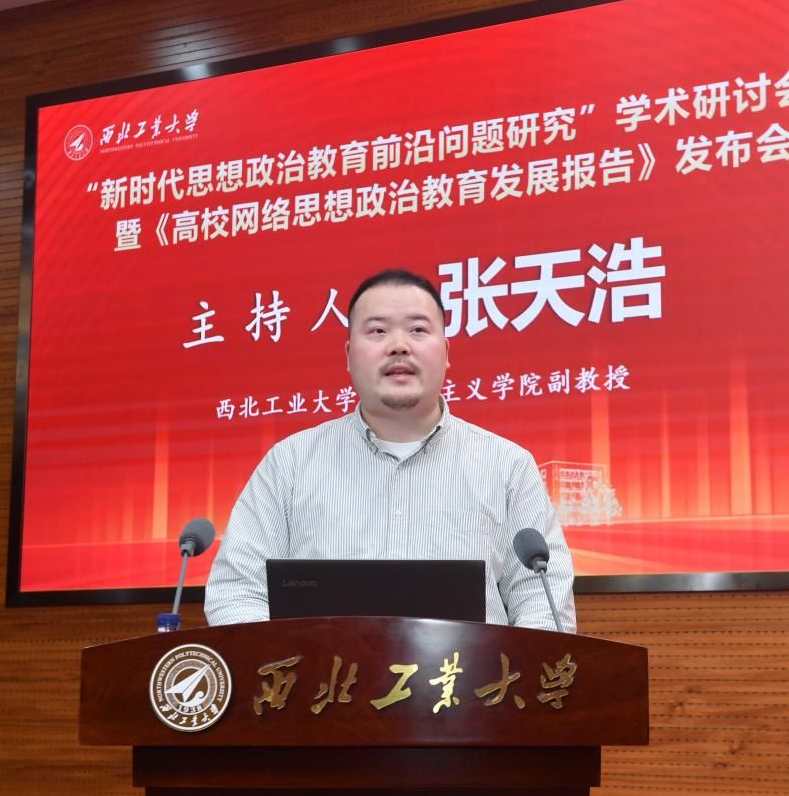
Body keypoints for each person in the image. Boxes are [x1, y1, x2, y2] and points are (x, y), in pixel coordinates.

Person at [204, 268, 576, 631]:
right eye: (378, 331)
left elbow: (543, 602)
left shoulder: (507, 466)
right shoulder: (290, 464)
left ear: (446, 352)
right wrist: (288, 662)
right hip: (317, 674)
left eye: (418, 330)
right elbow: (237, 591)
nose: (399, 345)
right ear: (349, 355)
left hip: (468, 675)